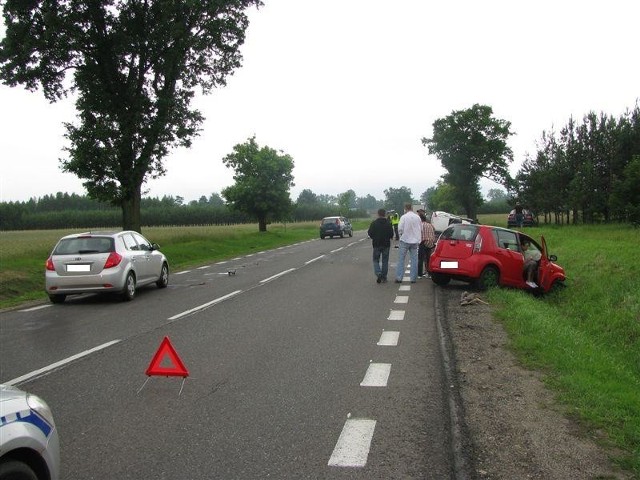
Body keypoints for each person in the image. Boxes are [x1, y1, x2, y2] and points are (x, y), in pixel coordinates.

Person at [395, 203, 422, 283]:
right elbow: (421, 228)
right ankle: (413, 278)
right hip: (415, 241)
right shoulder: (417, 217)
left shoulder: (404, 217)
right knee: (414, 259)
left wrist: (401, 234)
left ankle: (399, 277)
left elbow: (400, 228)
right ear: (412, 208)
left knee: (401, 259)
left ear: (405, 208)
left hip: (405, 240)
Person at [368, 208, 395, 283]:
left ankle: (378, 273)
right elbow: (391, 234)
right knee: (385, 261)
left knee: (376, 260)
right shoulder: (388, 223)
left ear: (378, 214)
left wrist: (374, 237)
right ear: (385, 214)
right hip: (386, 244)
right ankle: (384, 277)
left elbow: (370, 233)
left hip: (376, 244)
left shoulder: (374, 223)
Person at [418, 211, 436, 278]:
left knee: (420, 258)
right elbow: (434, 230)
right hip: (430, 243)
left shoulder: (420, 225)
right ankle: (429, 273)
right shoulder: (430, 225)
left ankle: (419, 274)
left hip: (423, 242)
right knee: (428, 258)